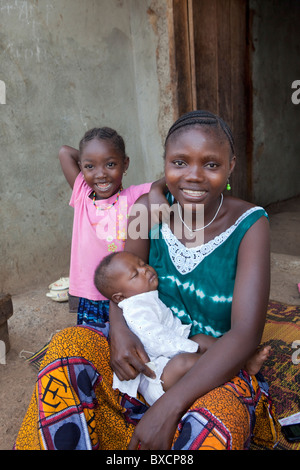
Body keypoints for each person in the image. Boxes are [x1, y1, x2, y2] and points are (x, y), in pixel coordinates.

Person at [15, 111, 279, 450]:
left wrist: (169, 407)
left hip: (207, 369)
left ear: (231, 166)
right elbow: (118, 282)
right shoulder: (147, 210)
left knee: (217, 422)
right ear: (165, 163)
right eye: (180, 162)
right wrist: (121, 333)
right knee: (68, 347)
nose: (194, 176)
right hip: (145, 357)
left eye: (211, 165)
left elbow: (245, 333)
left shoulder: (250, 224)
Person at [94, 251, 270, 406]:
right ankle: (235, 371)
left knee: (202, 339)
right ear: (119, 296)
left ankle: (242, 361)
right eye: (135, 275)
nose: (145, 270)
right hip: (158, 376)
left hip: (171, 353)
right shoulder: (136, 309)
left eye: (143, 264)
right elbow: (155, 340)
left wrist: (192, 344)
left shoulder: (143, 297)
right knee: (185, 360)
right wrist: (191, 348)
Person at [58, 127, 156, 326]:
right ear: (81, 167)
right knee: (96, 347)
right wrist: (92, 159)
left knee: (126, 346)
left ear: (125, 163)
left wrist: (92, 161)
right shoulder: (82, 194)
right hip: (90, 294)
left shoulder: (135, 195)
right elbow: (64, 152)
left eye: (110, 164)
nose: (101, 174)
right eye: (90, 167)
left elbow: (170, 182)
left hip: (126, 293)